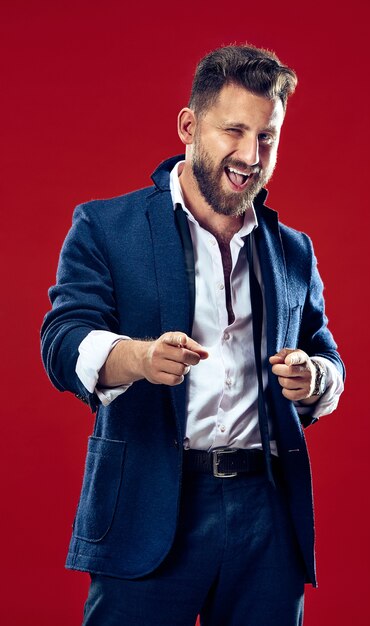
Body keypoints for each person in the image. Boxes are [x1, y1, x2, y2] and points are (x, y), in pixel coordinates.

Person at [41, 44, 345, 626]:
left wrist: (315, 377)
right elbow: (61, 337)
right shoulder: (106, 226)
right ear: (188, 125)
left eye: (267, 137)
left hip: (267, 517)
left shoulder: (292, 250)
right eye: (234, 130)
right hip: (150, 507)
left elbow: (326, 349)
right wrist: (133, 357)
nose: (250, 155)